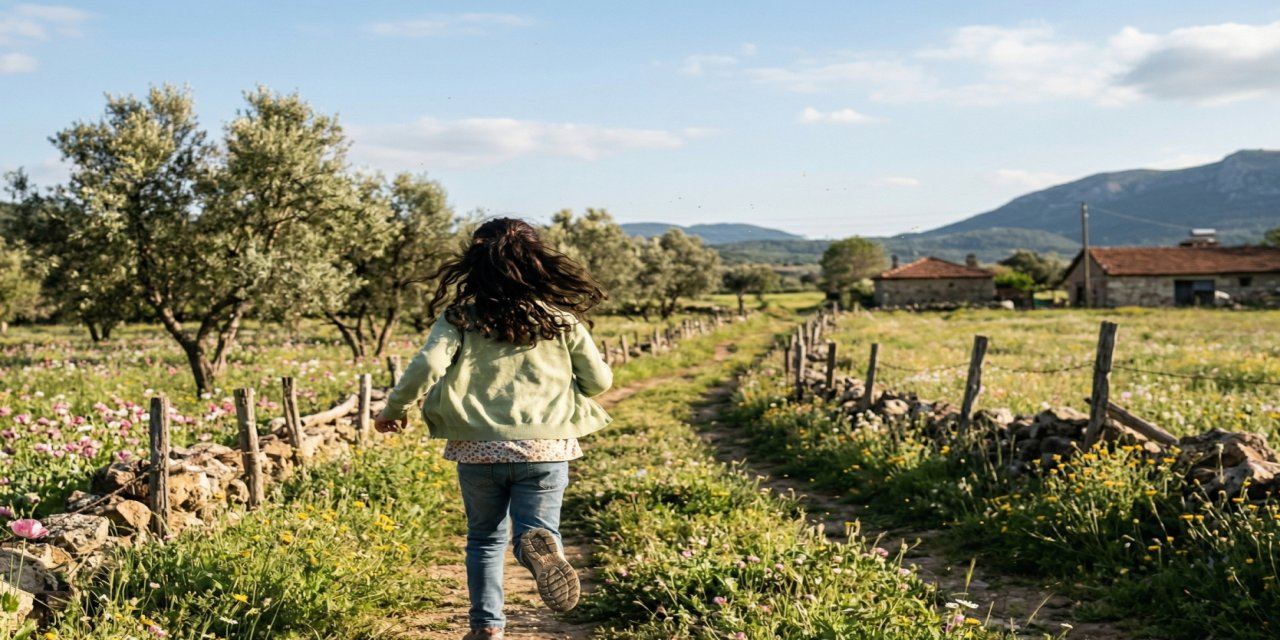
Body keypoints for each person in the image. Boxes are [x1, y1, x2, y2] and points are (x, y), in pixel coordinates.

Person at [374, 217, 613, 640]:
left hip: (478, 449)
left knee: (484, 539)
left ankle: (487, 627)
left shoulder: (460, 319)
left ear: (475, 265)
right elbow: (599, 382)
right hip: (546, 448)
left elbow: (428, 364)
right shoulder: (561, 320)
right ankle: (537, 544)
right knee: (535, 529)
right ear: (537, 261)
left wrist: (395, 407)